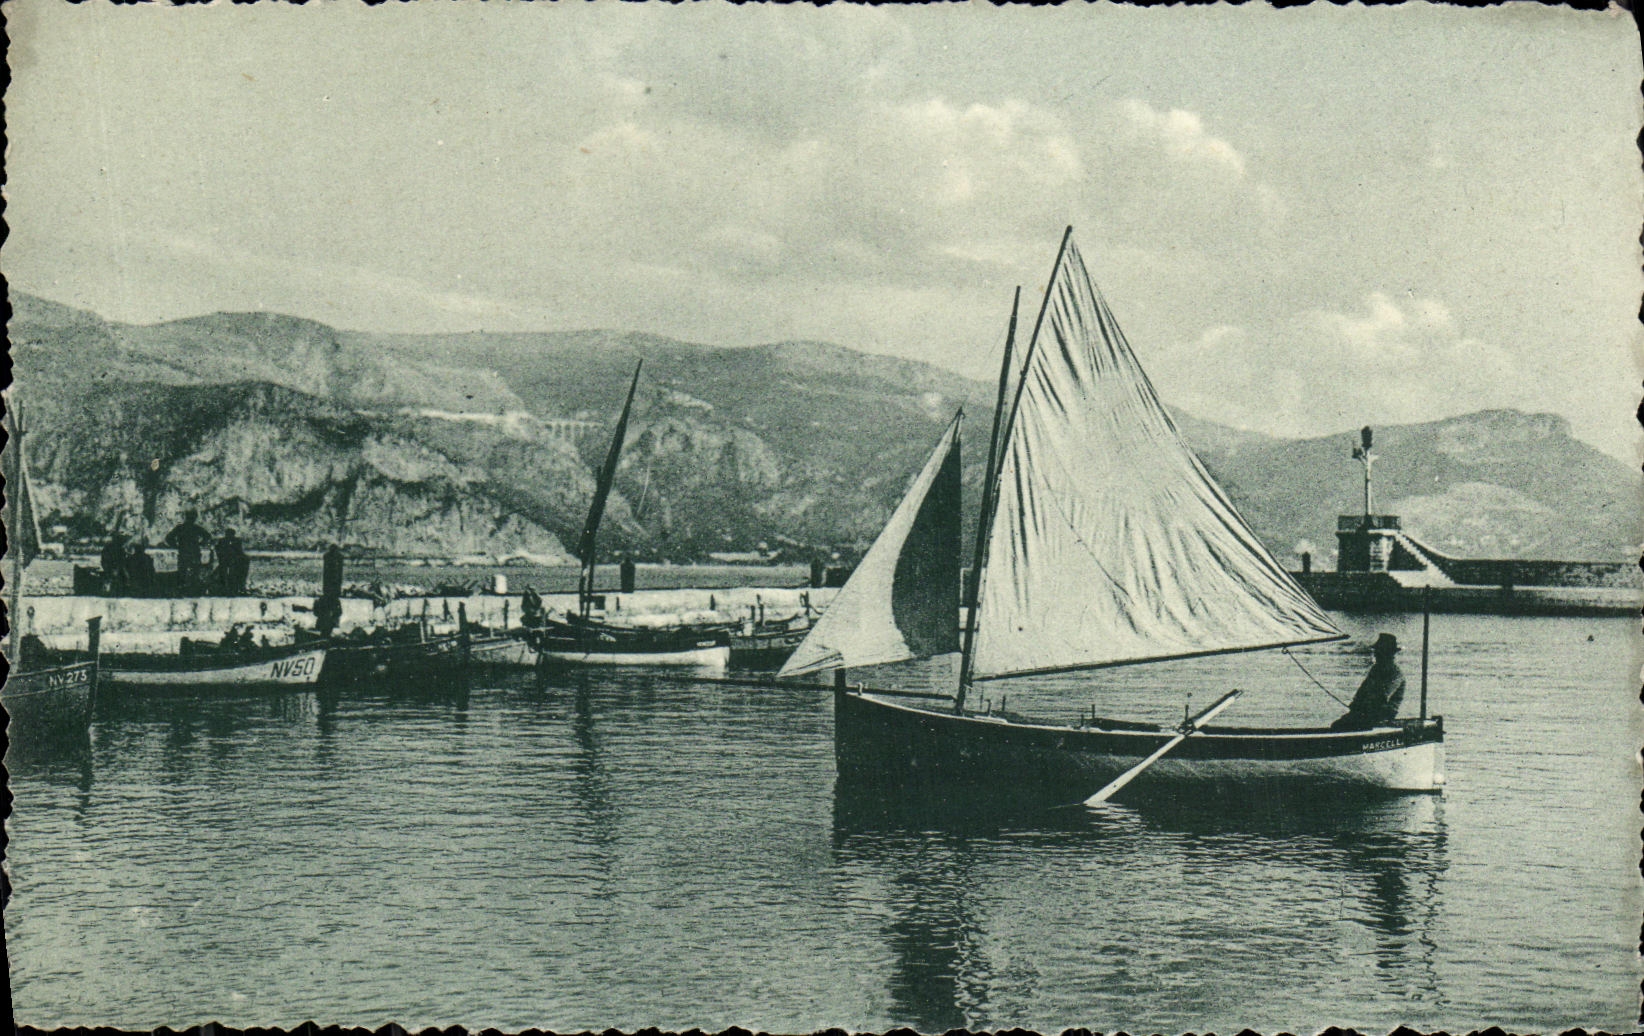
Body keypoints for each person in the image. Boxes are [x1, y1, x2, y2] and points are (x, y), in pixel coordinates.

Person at [1331, 633, 1406, 731]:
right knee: (1337, 725)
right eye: (1376, 651)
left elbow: (1381, 697)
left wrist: (1362, 709)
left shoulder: (1395, 673)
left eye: (1378, 651)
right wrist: (1356, 705)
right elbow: (1362, 690)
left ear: (1388, 653)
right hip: (1367, 712)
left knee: (1342, 726)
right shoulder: (1375, 669)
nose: (1375, 654)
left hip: (1383, 714)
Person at [165, 509, 213, 593]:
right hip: (194, 552)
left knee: (183, 571)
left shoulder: (180, 528)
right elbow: (207, 536)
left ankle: (182, 588)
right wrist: (201, 543)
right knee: (194, 571)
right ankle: (192, 589)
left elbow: (168, 538)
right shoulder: (196, 528)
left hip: (184, 551)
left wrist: (175, 545)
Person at [213, 529, 250, 594]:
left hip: (233, 560)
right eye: (228, 534)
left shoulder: (236, 541)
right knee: (227, 570)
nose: (229, 536)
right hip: (226, 560)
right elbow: (219, 551)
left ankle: (238, 585)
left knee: (237, 567)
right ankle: (231, 586)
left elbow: (239, 551)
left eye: (231, 534)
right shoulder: (223, 541)